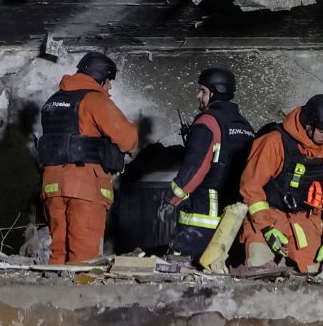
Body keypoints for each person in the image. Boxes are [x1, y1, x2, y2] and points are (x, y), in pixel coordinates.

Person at [37, 50, 139, 264]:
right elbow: (128, 140)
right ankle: (80, 297)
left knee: (58, 252)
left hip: (52, 185)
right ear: (100, 78)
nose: (110, 87)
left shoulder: (53, 101)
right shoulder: (94, 99)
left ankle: (55, 295)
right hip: (83, 186)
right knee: (84, 258)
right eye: (109, 81)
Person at [238, 93, 323, 274]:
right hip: (268, 217)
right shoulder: (274, 141)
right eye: (322, 131)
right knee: (258, 271)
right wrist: (266, 227)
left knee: (318, 277)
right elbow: (251, 187)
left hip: (305, 223)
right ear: (308, 125)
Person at [162, 67, 255, 264]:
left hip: (202, 215)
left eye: (202, 91)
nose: (198, 96)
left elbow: (195, 168)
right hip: (233, 218)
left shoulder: (208, 122)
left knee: (183, 269)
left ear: (215, 92)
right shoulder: (245, 126)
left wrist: (171, 199)